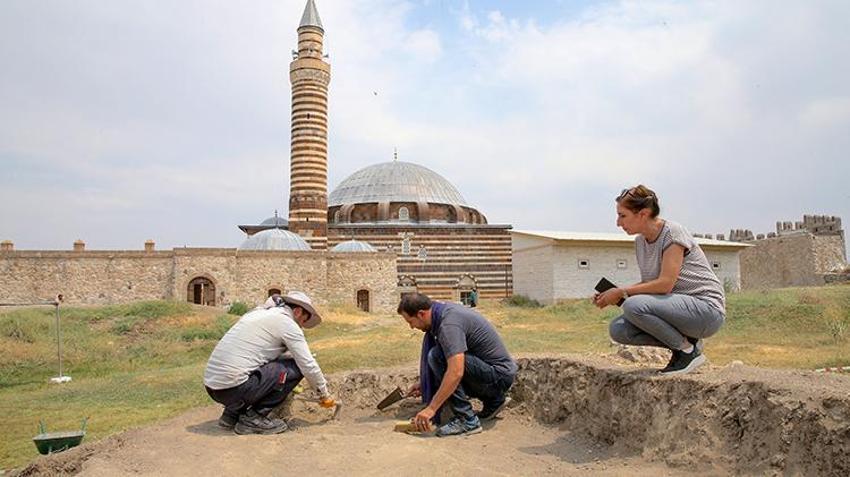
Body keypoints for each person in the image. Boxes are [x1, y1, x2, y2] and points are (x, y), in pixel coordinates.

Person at [594, 185, 726, 375]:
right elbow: (650, 284)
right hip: (677, 310)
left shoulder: (672, 233)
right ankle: (685, 345)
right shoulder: (640, 242)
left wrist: (623, 292)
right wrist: (612, 295)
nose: (618, 223)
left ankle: (688, 353)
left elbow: (665, 284)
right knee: (619, 329)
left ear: (643, 213)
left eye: (622, 216)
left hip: (706, 310)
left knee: (632, 305)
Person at [204, 291, 336, 434]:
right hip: (234, 389)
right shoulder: (287, 324)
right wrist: (323, 394)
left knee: (271, 364)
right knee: (296, 368)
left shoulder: (257, 314)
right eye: (303, 321)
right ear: (298, 311)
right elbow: (308, 365)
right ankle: (254, 418)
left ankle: (231, 415)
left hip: (213, 388)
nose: (302, 327)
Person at [398, 293, 517, 437]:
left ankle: (467, 419)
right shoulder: (442, 312)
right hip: (495, 374)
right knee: (443, 358)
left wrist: (431, 409)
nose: (411, 327)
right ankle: (494, 400)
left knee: (437, 357)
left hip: (498, 377)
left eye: (410, 321)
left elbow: (456, 372)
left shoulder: (448, 324)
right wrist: (424, 383)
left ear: (421, 314)